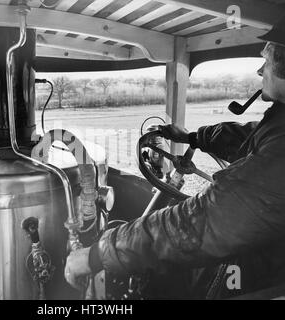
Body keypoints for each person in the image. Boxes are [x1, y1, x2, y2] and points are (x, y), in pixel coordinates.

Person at [64, 16, 285, 299]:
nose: (259, 70)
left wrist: (98, 254)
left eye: (266, 60)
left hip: (264, 281)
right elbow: (245, 136)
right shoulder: (278, 123)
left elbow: (203, 221)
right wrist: (192, 137)